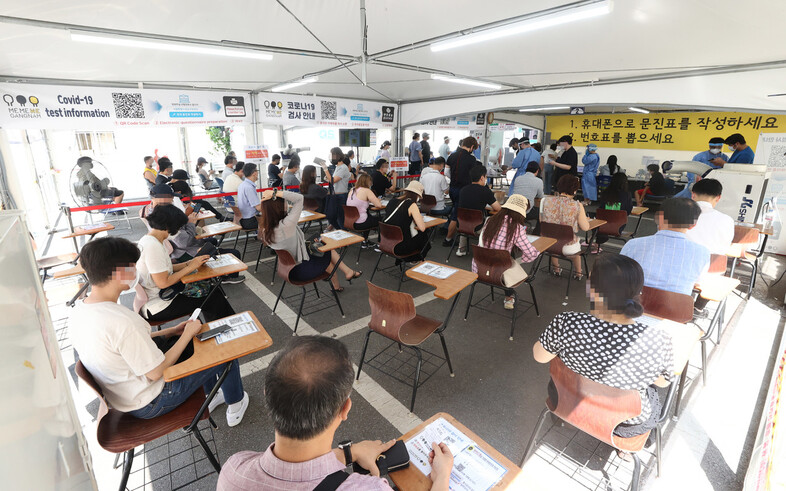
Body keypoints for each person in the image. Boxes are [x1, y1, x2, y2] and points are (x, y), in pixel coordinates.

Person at [217, 336, 453, 490]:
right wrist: (441, 476)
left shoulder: (233, 471)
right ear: (345, 409)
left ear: (267, 393)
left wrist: (347, 454)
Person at [69, 237, 249, 426]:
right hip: (152, 401)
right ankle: (236, 402)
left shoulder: (80, 310)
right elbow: (156, 372)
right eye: (133, 266)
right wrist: (187, 334)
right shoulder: (123, 322)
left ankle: (213, 394)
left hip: (123, 394)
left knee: (198, 341)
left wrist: (172, 331)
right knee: (225, 348)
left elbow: (122, 346)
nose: (136, 271)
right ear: (120, 273)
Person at [533, 254, 674, 439]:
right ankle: (626, 450)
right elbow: (663, 382)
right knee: (652, 395)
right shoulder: (658, 340)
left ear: (592, 290)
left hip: (568, 401)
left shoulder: (566, 323)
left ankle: (571, 422)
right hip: (623, 422)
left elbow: (539, 356)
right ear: (638, 293)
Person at [137, 204, 237, 322]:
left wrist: (189, 263)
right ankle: (227, 331)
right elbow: (163, 282)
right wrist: (190, 267)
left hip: (162, 296)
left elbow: (164, 269)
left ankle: (219, 329)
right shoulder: (153, 246)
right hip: (159, 304)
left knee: (212, 293)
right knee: (213, 297)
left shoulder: (151, 240)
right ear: (169, 226)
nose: (178, 231)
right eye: (178, 227)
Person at [259, 189, 360, 291]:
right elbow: (299, 199)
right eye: (284, 201)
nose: (287, 203)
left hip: (287, 269)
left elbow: (289, 244)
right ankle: (346, 274)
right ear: (279, 207)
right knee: (327, 251)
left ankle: (342, 280)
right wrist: (276, 193)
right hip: (300, 270)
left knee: (324, 251)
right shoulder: (286, 225)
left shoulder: (265, 229)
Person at [142, 184, 244, 282]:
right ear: (163, 198)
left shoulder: (150, 212)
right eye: (171, 196)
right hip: (182, 252)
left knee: (211, 242)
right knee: (233, 253)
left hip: (177, 252)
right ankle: (222, 277)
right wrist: (190, 223)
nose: (173, 199)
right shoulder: (163, 216)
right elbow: (183, 242)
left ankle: (216, 275)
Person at [621, 198, 709, 295]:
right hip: (676, 307)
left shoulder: (633, 245)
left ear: (660, 218)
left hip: (634, 305)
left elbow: (620, 275)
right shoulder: (702, 253)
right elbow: (698, 282)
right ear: (693, 225)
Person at [474, 194, 539, 309]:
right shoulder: (516, 228)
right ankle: (509, 297)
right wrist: (538, 251)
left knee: (504, 254)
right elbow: (530, 253)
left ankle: (508, 296)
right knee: (508, 257)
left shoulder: (490, 220)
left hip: (480, 269)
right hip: (500, 273)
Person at [540, 175, 591, 279]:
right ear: (575, 190)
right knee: (574, 242)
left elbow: (542, 222)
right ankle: (578, 273)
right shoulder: (577, 205)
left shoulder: (545, 201)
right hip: (568, 248)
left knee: (554, 236)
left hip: (549, 245)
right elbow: (585, 227)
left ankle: (556, 269)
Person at [455, 166, 501, 257]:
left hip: (461, 226)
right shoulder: (486, 191)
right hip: (478, 228)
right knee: (492, 220)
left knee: (467, 218)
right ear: (482, 177)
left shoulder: (463, 190)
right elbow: (498, 208)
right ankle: (487, 249)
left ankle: (461, 248)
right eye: (486, 177)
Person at [444, 136, 481, 247]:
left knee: (456, 211)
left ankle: (454, 235)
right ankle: (448, 239)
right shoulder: (472, 159)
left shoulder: (452, 156)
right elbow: (474, 176)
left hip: (453, 188)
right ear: (472, 147)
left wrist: (455, 179)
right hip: (464, 190)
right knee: (456, 216)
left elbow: (446, 172)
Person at [685, 179, 734, 256]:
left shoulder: (678, 214)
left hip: (681, 260)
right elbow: (725, 247)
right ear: (718, 198)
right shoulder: (727, 220)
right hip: (713, 264)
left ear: (693, 195)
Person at [383, 181, 429, 260]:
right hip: (400, 246)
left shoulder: (392, 201)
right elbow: (422, 228)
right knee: (424, 237)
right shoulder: (412, 205)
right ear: (417, 195)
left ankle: (407, 260)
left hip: (386, 242)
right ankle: (415, 260)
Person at [346, 174, 383, 245]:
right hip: (361, 223)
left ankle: (365, 241)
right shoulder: (367, 190)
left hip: (350, 222)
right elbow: (378, 205)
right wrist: (377, 200)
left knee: (368, 216)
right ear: (368, 182)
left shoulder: (352, 190)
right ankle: (380, 244)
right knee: (382, 220)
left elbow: (358, 202)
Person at [321, 148, 352, 230]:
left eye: (332, 155)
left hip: (341, 196)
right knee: (333, 217)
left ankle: (345, 236)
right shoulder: (338, 167)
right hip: (336, 196)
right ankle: (341, 233)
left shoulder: (343, 167)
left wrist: (325, 169)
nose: (331, 158)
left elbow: (333, 180)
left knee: (340, 219)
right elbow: (332, 180)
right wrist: (328, 177)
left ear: (337, 156)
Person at [236, 163, 262, 230]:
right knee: (275, 220)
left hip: (243, 219)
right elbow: (259, 208)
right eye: (257, 171)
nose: (257, 173)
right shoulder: (249, 187)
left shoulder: (242, 185)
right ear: (254, 173)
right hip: (250, 221)